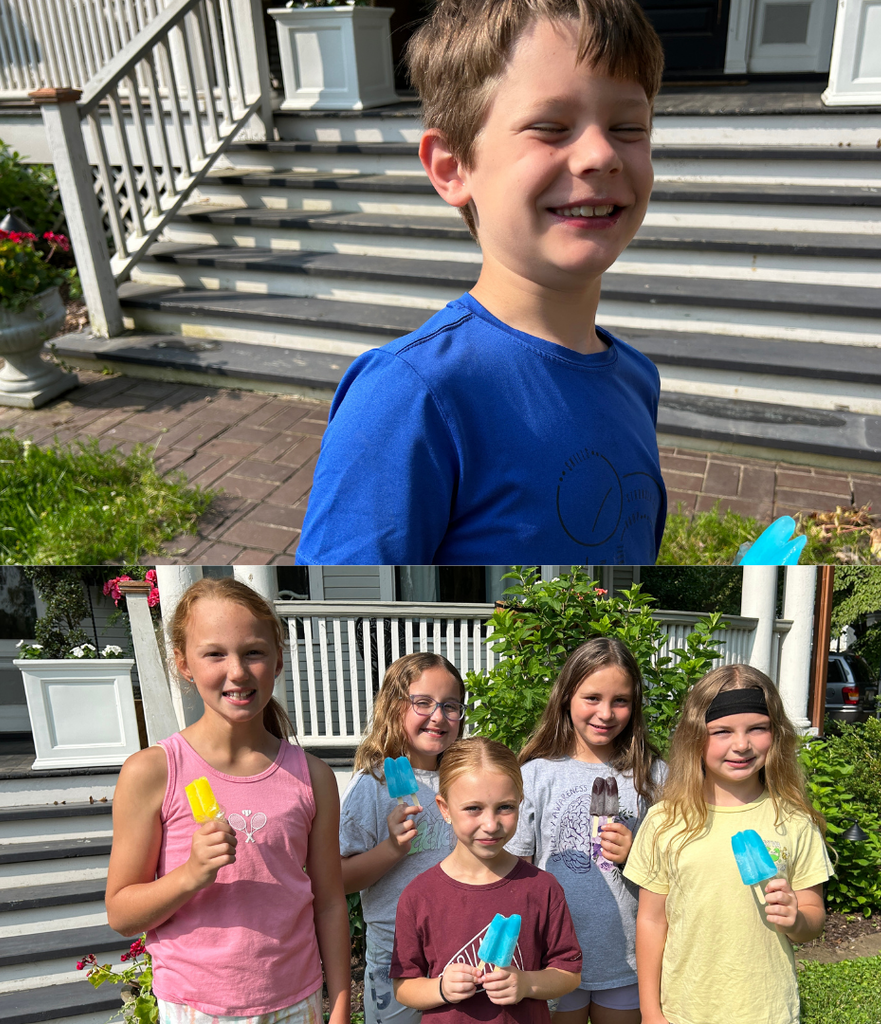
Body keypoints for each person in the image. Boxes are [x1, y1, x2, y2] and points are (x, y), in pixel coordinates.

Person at [295, 0, 667, 565]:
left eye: (628, 128)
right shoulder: (409, 396)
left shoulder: (637, 379)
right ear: (452, 167)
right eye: (551, 127)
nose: (601, 154)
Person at [105, 578, 350, 1024]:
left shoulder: (313, 777)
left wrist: (340, 1007)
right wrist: (190, 875)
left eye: (253, 652)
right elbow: (122, 914)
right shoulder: (152, 772)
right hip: (196, 1006)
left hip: (298, 1002)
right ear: (183, 663)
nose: (237, 672)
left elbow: (330, 902)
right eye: (214, 654)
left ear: (278, 660)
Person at [625, 665, 833, 1024]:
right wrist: (650, 1011)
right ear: (695, 738)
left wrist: (796, 918)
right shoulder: (665, 822)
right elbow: (651, 921)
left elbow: (814, 915)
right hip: (686, 1010)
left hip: (767, 1010)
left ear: (776, 733)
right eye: (722, 731)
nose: (741, 745)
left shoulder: (794, 820)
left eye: (757, 728)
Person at [510, 637, 664, 1024]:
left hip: (627, 955)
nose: (606, 713)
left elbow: (675, 870)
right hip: (552, 958)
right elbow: (515, 872)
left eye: (620, 701)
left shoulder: (653, 775)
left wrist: (636, 853)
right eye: (592, 698)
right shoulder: (535, 775)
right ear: (566, 697)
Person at [392, 737, 583, 1023]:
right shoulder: (419, 895)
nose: (491, 824)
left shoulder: (542, 887)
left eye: (505, 807)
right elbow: (403, 986)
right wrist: (441, 988)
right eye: (473, 808)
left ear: (520, 803)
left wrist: (527, 983)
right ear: (444, 808)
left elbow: (569, 972)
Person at [340, 653, 466, 1024]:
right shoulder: (374, 785)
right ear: (395, 708)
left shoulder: (464, 780)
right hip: (396, 953)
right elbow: (340, 878)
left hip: (460, 945)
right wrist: (392, 849)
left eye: (450, 706)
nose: (438, 716)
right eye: (423, 703)